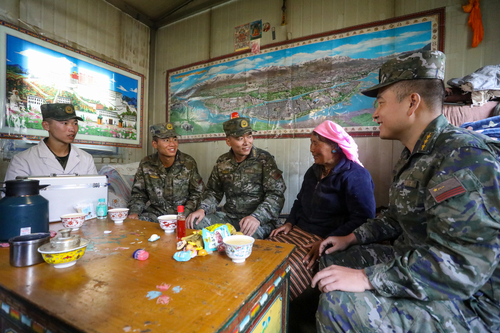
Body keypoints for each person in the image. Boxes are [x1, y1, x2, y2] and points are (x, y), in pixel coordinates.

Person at [312, 50, 500, 332]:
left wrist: (368, 278)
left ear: (412, 102)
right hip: (412, 260)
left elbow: (461, 265)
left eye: (381, 103)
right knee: (330, 262)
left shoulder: (463, 156)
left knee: (340, 305)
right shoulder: (414, 154)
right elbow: (397, 218)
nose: (375, 114)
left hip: (468, 301)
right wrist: (350, 237)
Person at [267, 120, 375, 300]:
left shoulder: (355, 175)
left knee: (284, 274)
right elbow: (300, 199)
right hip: (298, 231)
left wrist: (327, 241)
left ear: (334, 146)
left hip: (324, 238)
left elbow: (364, 219)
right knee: (262, 255)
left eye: (316, 143)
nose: (311, 148)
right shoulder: (314, 171)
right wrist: (289, 222)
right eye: (311, 143)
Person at [186, 116, 286, 239]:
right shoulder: (223, 161)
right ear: (228, 141)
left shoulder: (264, 160)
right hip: (229, 217)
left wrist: (257, 217)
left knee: (241, 240)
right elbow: (213, 192)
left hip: (258, 221)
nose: (247, 142)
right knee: (196, 224)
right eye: (240, 138)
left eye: (249, 136)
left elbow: (276, 194)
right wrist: (202, 209)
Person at [128, 122, 205, 222]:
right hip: (156, 215)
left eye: (175, 139)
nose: (172, 144)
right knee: (135, 226)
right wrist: (135, 212)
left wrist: (184, 214)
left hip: (183, 215)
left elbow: (197, 193)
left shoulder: (188, 162)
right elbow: (139, 194)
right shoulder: (146, 163)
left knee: (198, 226)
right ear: (155, 144)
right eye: (166, 140)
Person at [4, 103, 97, 180]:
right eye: (65, 123)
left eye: (75, 123)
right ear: (46, 126)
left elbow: (96, 193)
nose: (72, 129)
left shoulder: (86, 159)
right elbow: (14, 199)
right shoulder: (23, 161)